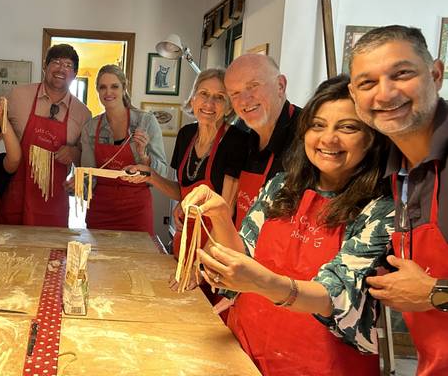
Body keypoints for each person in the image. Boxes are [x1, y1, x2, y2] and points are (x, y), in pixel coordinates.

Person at [184, 75, 393, 375]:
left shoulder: (380, 208)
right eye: (318, 125)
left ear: (372, 138)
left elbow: (337, 296)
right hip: (245, 352)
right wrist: (218, 215)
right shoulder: (281, 186)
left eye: (347, 127)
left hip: (323, 365)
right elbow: (242, 253)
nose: (328, 139)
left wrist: (262, 282)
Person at [348, 25, 448, 375]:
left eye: (401, 74)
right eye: (367, 83)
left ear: (436, 74)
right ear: (354, 94)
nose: (385, 94)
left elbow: (429, 291)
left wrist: (437, 293)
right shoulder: (396, 168)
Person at [125, 68, 246, 256]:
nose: (209, 103)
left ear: (229, 107)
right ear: (193, 99)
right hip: (185, 235)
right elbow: (181, 192)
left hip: (217, 242)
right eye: (204, 94)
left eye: (220, 97)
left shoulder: (236, 141)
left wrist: (202, 260)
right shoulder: (186, 135)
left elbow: (227, 209)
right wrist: (149, 175)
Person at [1, 44, 92, 227]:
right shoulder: (18, 95)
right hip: (15, 193)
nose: (61, 69)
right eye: (56, 62)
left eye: (68, 65)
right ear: (45, 66)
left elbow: (86, 161)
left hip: (53, 203)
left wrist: (73, 153)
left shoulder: (83, 113)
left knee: (51, 253)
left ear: (74, 74)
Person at [79, 64, 168, 235]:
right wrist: (77, 186)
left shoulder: (146, 121)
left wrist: (143, 156)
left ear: (124, 88)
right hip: (101, 208)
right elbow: (88, 175)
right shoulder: (90, 127)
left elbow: (162, 173)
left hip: (136, 208)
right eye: (102, 87)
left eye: (114, 86)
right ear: (97, 91)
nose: (108, 92)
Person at [223, 54, 302, 229]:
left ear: (280, 85)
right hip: (240, 251)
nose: (244, 100)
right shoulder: (243, 136)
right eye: (235, 93)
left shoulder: (309, 136)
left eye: (253, 86)